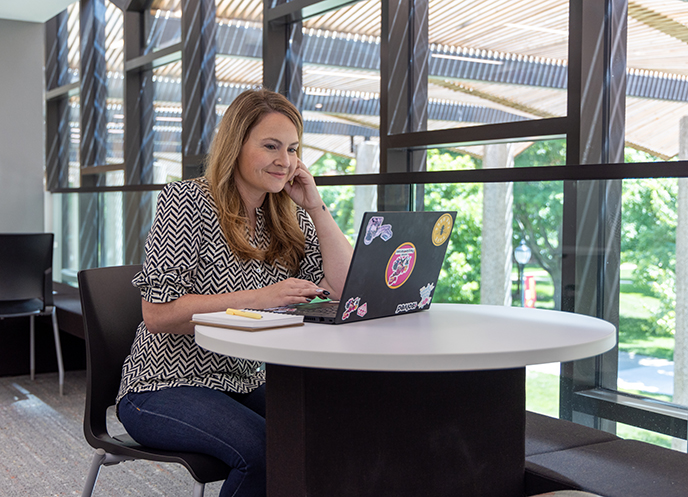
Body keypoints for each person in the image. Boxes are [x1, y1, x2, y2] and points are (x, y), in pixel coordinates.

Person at [116, 88, 353, 497]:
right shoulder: (187, 201)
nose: (286, 161)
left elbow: (343, 289)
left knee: (324, 437)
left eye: (294, 149)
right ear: (237, 145)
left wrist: (316, 206)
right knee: (265, 452)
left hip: (243, 381)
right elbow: (157, 315)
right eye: (271, 146)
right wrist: (260, 297)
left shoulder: (286, 214)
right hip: (163, 385)